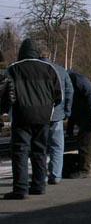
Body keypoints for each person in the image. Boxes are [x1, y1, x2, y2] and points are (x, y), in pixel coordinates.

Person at [3, 39, 62, 200]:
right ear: (36, 52)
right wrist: (47, 107)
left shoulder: (13, 69)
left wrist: (5, 111)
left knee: (20, 152)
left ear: (21, 52)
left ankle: (21, 189)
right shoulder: (49, 69)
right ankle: (38, 186)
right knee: (40, 151)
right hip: (43, 117)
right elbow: (59, 96)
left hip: (21, 116)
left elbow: (5, 92)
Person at [66, 71, 91, 178]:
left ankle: (84, 170)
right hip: (85, 115)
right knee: (83, 142)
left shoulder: (77, 80)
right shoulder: (72, 80)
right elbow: (73, 106)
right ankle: (82, 166)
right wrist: (70, 126)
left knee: (85, 144)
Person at [43, 51, 72, 185]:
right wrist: (67, 111)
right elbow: (69, 91)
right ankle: (55, 175)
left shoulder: (34, 69)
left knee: (39, 146)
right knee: (57, 146)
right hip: (57, 114)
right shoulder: (60, 70)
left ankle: (41, 175)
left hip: (39, 115)